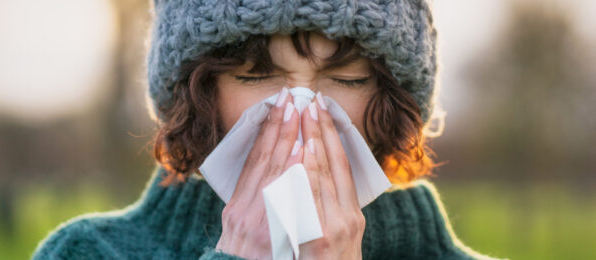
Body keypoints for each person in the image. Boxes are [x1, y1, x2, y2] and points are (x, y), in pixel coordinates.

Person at [32, 1, 502, 259]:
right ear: (198, 93)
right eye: (255, 77)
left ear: (391, 97)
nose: (301, 113)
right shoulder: (86, 254)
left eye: (347, 79)